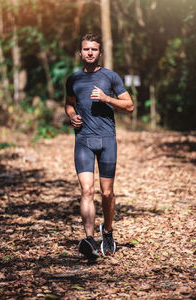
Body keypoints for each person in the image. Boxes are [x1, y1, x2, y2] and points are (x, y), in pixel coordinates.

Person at [65, 33, 134, 259]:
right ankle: (89, 240)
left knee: (106, 193)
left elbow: (129, 105)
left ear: (100, 52)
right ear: (81, 52)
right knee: (86, 190)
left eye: (94, 49)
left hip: (107, 140)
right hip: (83, 140)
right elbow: (68, 104)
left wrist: (106, 99)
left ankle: (108, 231)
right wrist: (72, 115)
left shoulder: (110, 77)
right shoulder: (73, 79)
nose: (90, 53)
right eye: (86, 49)